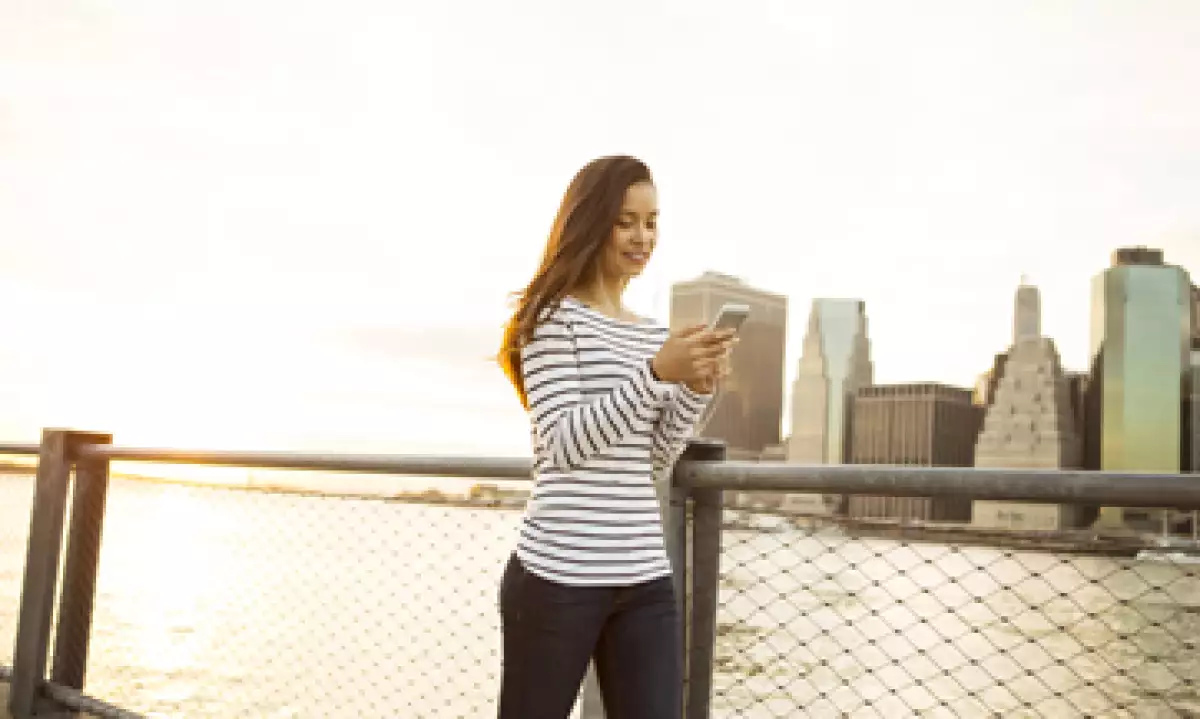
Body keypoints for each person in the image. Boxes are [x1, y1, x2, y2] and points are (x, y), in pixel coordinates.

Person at [496, 155, 735, 719]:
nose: (642, 236)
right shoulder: (552, 318)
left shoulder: (650, 332)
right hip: (557, 575)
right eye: (626, 220)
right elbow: (563, 444)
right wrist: (655, 374)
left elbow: (652, 457)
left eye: (652, 222)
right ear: (590, 222)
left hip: (643, 576)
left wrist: (695, 389)